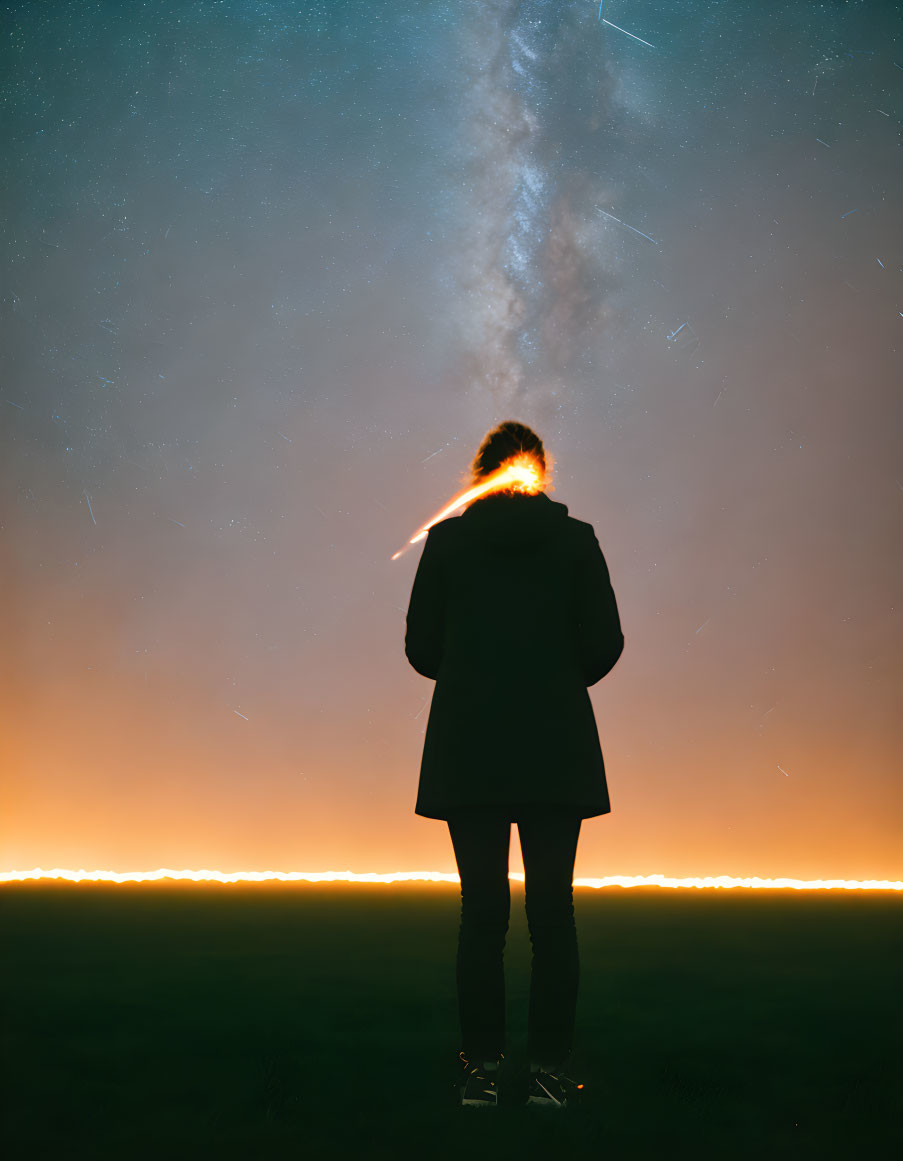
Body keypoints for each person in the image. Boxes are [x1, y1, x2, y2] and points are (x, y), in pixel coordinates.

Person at [404, 420, 625, 1109]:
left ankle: (481, 1068)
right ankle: (549, 1072)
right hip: (555, 745)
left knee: (482, 915)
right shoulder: (575, 540)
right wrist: (553, 679)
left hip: (469, 747)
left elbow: (419, 646)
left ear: (481, 472)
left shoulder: (447, 543)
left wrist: (474, 676)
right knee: (552, 914)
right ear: (539, 472)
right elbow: (604, 642)